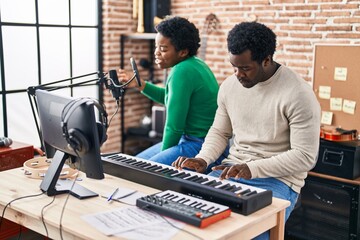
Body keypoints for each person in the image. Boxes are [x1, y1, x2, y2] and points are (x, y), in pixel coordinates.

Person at [173, 21, 321, 239]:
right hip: (233, 171)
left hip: (279, 181)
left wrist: (251, 169)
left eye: (245, 68)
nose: (237, 74)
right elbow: (219, 131)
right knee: (190, 224)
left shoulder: (298, 94)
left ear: (266, 60)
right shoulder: (230, 86)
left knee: (247, 235)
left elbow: (305, 157)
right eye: (234, 66)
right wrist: (203, 159)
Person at [119, 16, 228, 167]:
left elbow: (174, 127)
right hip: (198, 139)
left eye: (163, 49)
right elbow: (171, 99)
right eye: (156, 47)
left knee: (142, 170)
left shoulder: (181, 71)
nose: (156, 53)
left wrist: (162, 167)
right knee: (133, 163)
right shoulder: (195, 63)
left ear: (182, 52)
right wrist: (141, 85)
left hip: (201, 144)